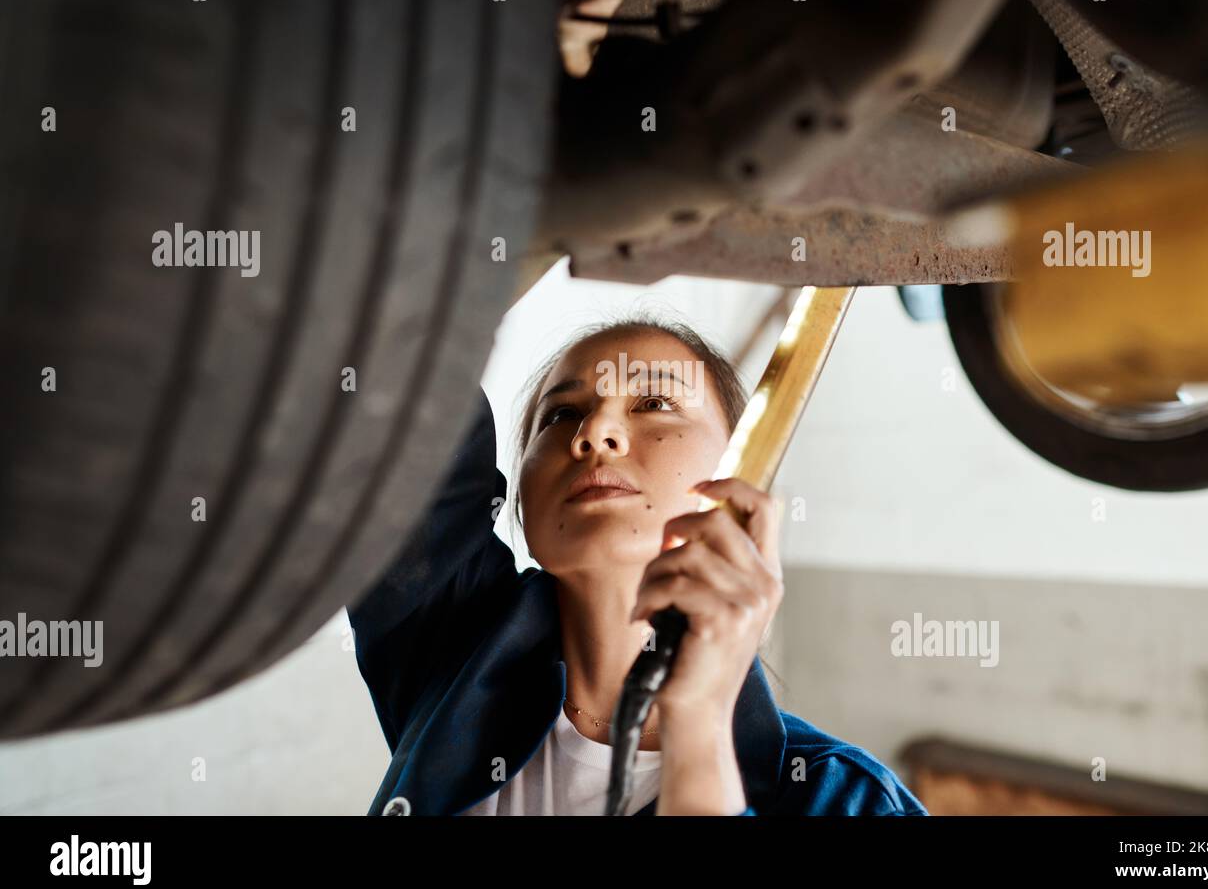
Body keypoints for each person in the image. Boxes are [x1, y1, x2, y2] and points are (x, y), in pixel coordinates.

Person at [347, 312, 928, 816]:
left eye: (655, 403)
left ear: (741, 478)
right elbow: (387, 358)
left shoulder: (845, 801)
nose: (595, 432)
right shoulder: (451, 649)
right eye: (560, 415)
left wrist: (699, 722)